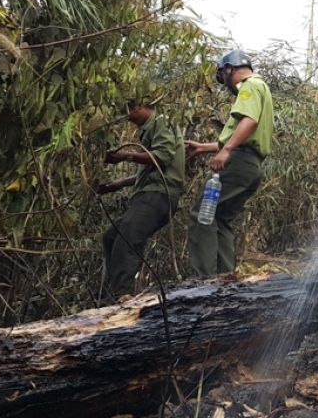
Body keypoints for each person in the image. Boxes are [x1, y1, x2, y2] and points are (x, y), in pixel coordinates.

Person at [185, 49, 274, 277]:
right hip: (250, 166)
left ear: (229, 69)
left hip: (238, 161)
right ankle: (226, 278)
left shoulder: (249, 85)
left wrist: (226, 151)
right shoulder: (260, 88)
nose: (223, 80)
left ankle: (203, 279)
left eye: (223, 74)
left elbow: (249, 122)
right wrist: (204, 148)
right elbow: (243, 135)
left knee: (201, 215)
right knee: (221, 218)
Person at [97, 97, 186, 299]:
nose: (127, 116)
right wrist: (116, 184)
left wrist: (124, 156)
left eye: (128, 109)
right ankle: (118, 293)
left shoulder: (161, 122)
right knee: (111, 237)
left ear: (139, 106)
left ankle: (124, 295)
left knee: (128, 236)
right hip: (149, 194)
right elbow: (151, 168)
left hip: (158, 194)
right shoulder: (150, 129)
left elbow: (162, 157)